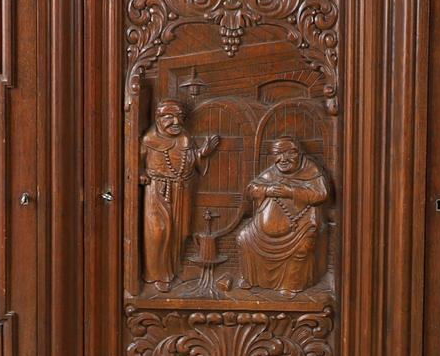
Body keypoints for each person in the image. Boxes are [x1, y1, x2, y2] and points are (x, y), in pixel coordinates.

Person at [140, 101, 219, 289]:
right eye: (169, 117)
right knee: (157, 232)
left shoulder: (184, 137)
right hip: (157, 190)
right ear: (159, 119)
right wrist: (140, 173)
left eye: (179, 118)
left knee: (179, 232)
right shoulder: (149, 140)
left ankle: (173, 271)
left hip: (182, 190)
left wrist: (203, 153)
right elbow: (136, 161)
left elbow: (189, 161)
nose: (176, 122)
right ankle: (156, 275)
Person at [235, 138, 329, 295]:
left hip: (300, 224)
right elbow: (252, 188)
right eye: (278, 154)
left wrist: (291, 192)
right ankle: (251, 278)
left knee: (302, 247)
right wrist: (267, 190)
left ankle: (291, 285)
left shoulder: (311, 170)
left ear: (298, 154)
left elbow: (321, 194)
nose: (283, 159)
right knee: (243, 237)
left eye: (288, 153)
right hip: (262, 230)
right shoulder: (274, 171)